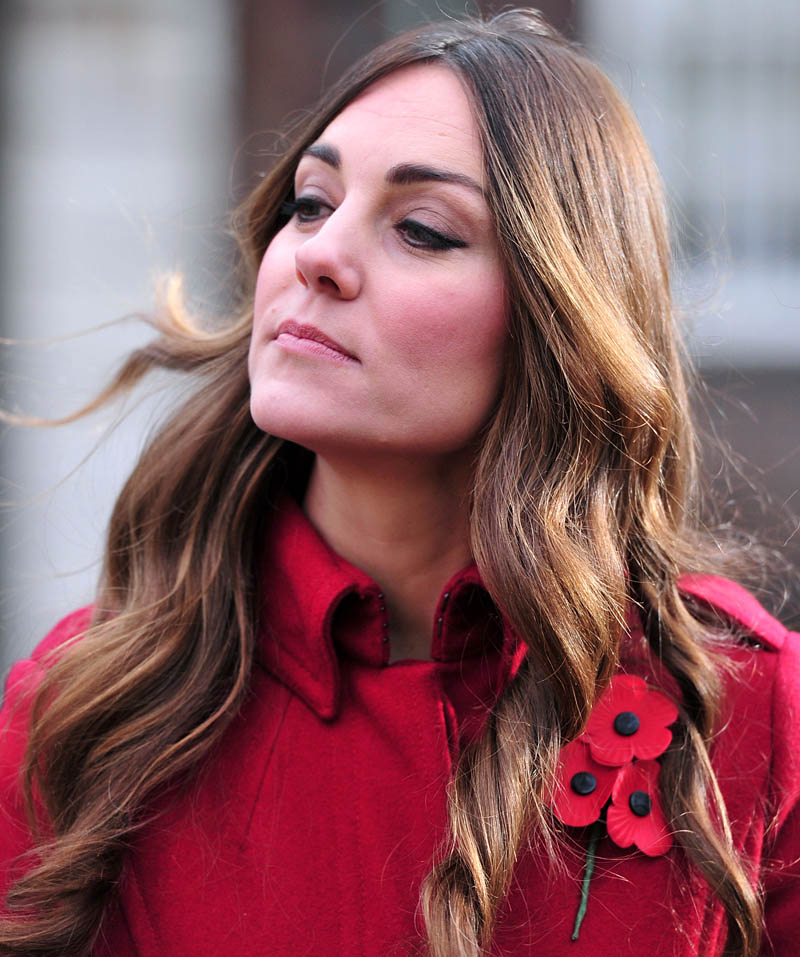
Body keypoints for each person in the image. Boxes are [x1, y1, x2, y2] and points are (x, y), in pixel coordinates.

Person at [1, 9, 798, 956]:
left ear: (558, 318)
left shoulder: (750, 711)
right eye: (310, 203)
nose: (320, 255)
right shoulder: (89, 706)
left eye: (420, 229)